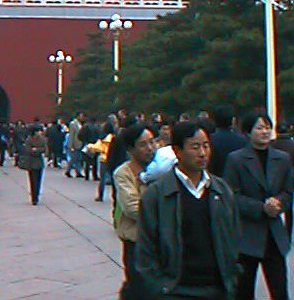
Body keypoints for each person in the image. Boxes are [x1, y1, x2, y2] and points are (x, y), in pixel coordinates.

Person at [137, 121, 239, 300]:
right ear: (177, 151)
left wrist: (233, 276)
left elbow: (234, 236)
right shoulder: (157, 194)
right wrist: (158, 286)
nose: (202, 153)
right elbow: (146, 248)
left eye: (206, 146)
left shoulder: (221, 190)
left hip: (217, 288)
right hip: (175, 289)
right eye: (195, 147)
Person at [225, 112, 293, 300]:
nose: (265, 132)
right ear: (248, 132)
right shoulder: (236, 160)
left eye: (267, 127)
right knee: (243, 291)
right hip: (247, 236)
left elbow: (289, 192)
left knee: (280, 290)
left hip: (274, 236)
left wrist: (279, 203)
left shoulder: (282, 159)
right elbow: (231, 196)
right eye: (260, 128)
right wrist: (260, 207)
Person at [112, 123, 155, 300]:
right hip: (136, 242)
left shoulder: (160, 168)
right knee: (138, 288)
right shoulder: (123, 173)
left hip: (159, 241)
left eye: (152, 142)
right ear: (131, 149)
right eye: (143, 144)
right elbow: (132, 208)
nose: (150, 148)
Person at [209, 105, 247, 177]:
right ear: (233, 120)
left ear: (214, 121)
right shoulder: (243, 140)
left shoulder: (209, 140)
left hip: (216, 179)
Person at [87, 122, 114, 202]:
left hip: (104, 159)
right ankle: (115, 196)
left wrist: (89, 146)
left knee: (102, 178)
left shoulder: (103, 138)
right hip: (113, 159)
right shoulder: (115, 137)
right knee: (114, 179)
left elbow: (97, 147)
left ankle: (100, 195)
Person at [22, 124, 47, 205]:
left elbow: (44, 149)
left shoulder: (42, 139)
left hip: (39, 162)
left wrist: (36, 149)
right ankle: (34, 197)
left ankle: (37, 195)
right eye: (38, 131)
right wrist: (36, 150)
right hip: (31, 162)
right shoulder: (29, 139)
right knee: (33, 180)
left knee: (39, 180)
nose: (40, 132)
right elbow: (28, 150)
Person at [65, 112, 84, 178]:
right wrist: (70, 145)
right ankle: (68, 171)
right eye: (81, 116)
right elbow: (71, 135)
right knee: (73, 158)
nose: (82, 117)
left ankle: (78, 172)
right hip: (75, 144)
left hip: (80, 144)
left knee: (78, 158)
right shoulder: (73, 124)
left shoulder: (80, 124)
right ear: (77, 116)